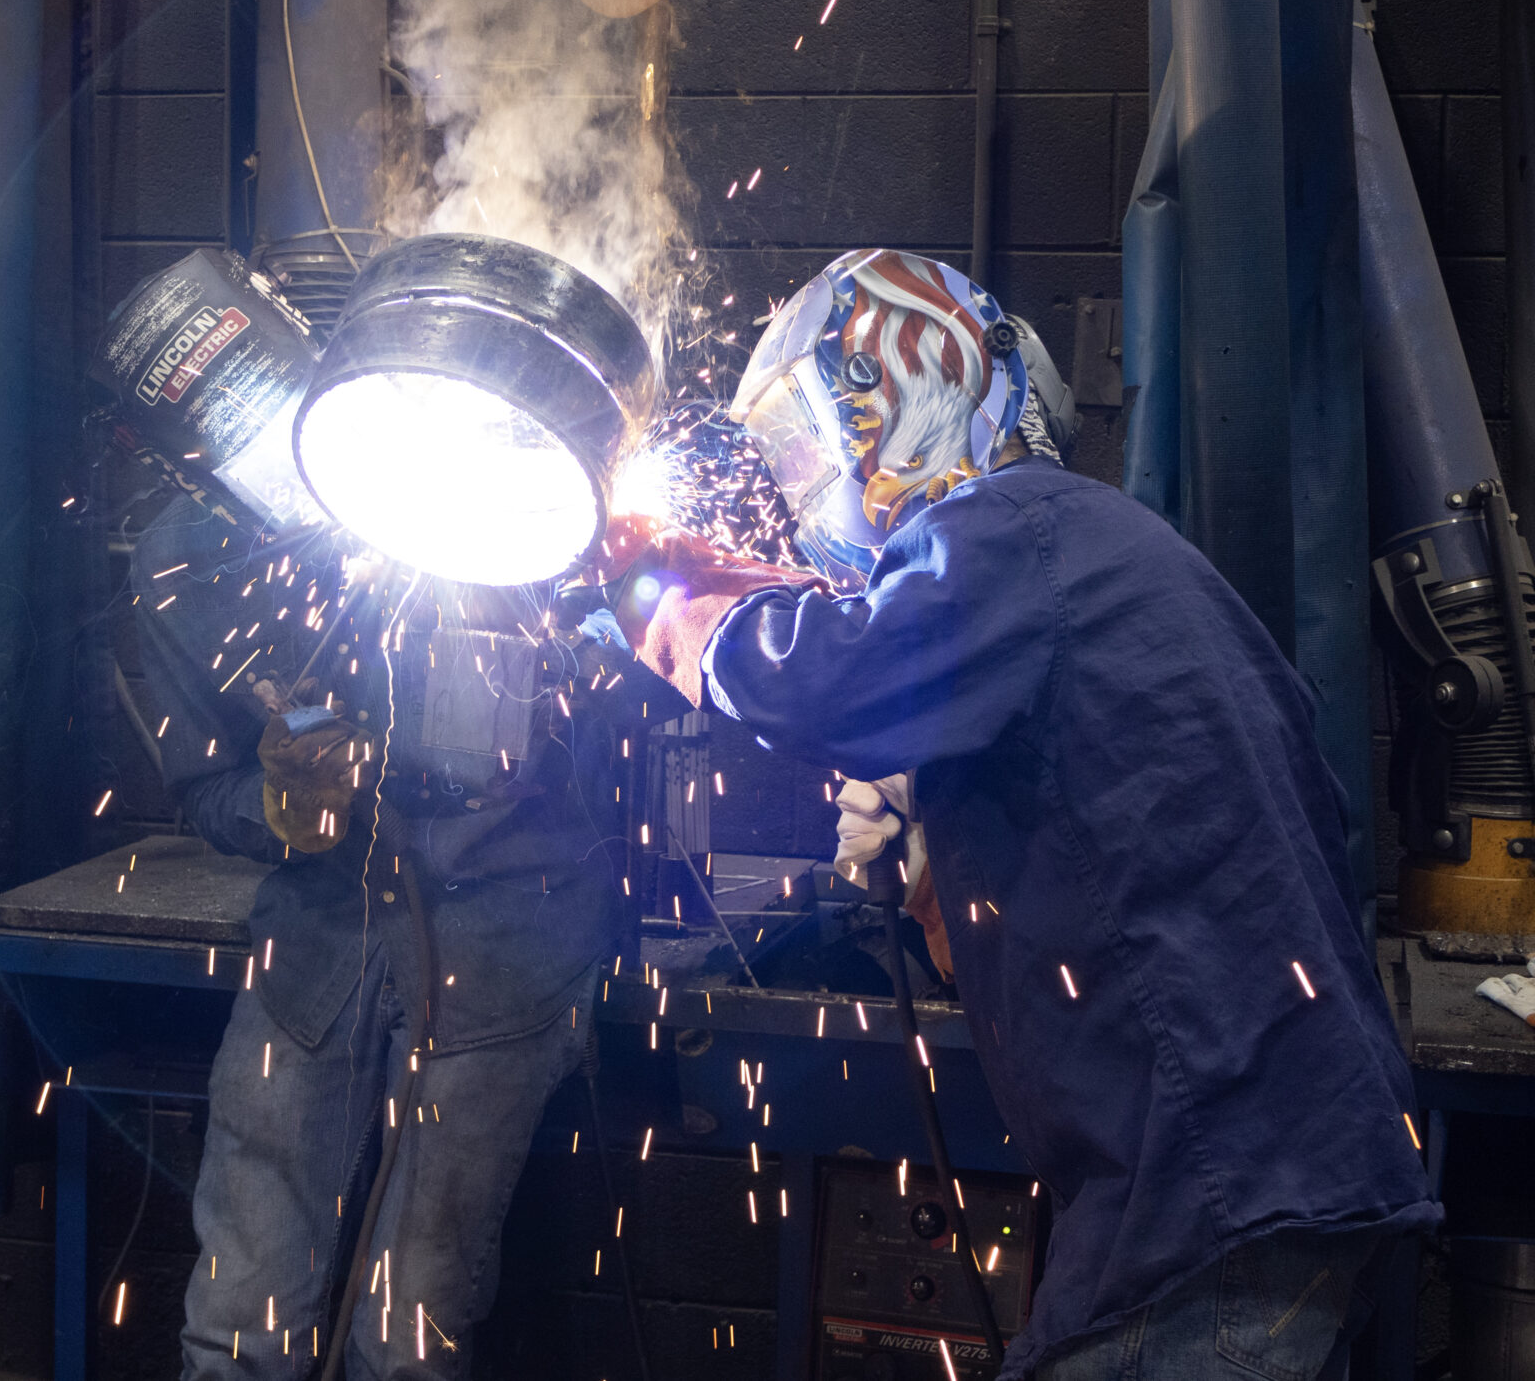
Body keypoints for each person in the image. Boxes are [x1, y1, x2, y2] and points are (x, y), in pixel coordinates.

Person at [605, 248, 1438, 1381]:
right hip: (1281, 1172)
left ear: (909, 383)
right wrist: (938, 859)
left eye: (804, 446)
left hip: (1215, 1181)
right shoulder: (1101, 552)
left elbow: (828, 681)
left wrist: (658, 596)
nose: (803, 489)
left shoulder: (1014, 526)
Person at [130, 493, 619, 1381]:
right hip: (319, 942)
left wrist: (585, 660)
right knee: (239, 1328)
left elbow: (650, 661)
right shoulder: (191, 548)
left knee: (406, 1343)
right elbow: (204, 783)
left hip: (508, 948)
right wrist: (279, 807)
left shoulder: (538, 492)